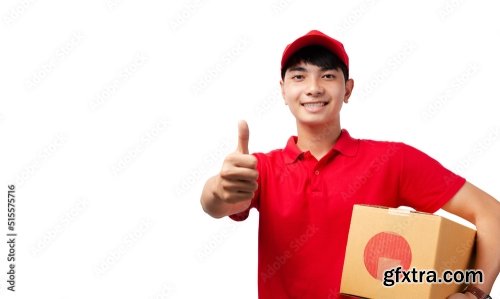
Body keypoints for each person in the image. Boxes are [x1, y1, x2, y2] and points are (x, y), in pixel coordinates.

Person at [200, 30, 500, 299]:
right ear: (283, 89)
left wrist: (475, 293)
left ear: (348, 89)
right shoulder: (261, 169)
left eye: (328, 76)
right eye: (299, 76)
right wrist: (219, 190)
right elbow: (215, 204)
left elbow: (491, 213)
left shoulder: (393, 161)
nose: (314, 87)